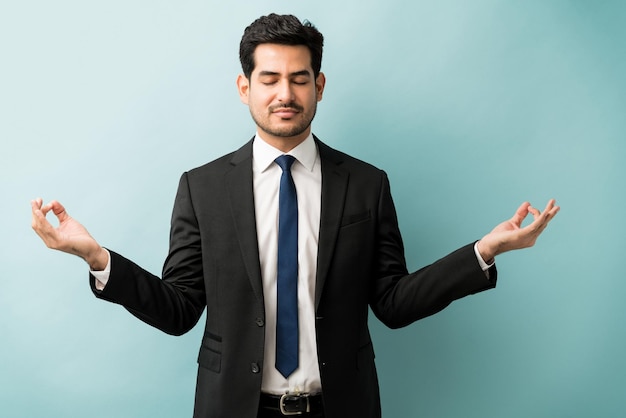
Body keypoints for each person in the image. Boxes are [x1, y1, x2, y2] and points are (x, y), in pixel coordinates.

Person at [30, 13, 559, 418]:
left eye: (300, 79)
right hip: (234, 408)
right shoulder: (202, 187)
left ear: (319, 86)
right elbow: (179, 311)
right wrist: (98, 258)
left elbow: (393, 303)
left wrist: (483, 253)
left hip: (340, 406)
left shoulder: (367, 185)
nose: (285, 94)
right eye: (270, 78)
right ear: (245, 88)